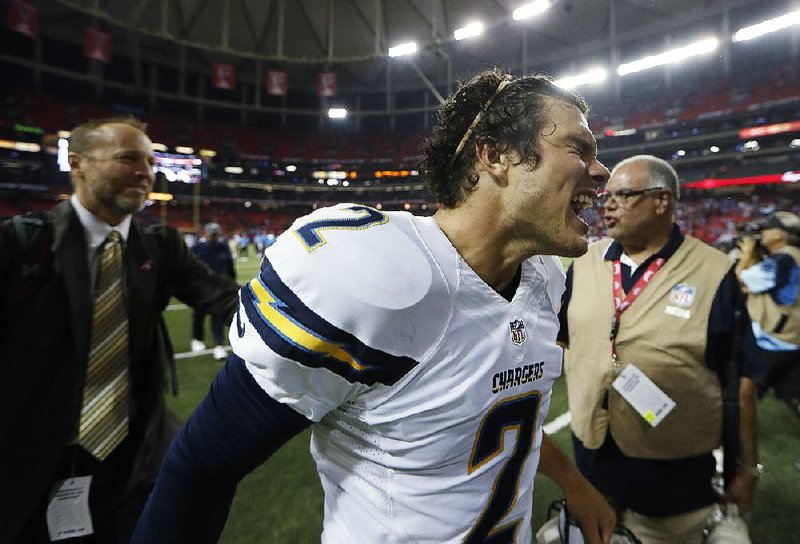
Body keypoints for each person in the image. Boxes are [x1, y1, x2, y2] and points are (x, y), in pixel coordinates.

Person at [132, 69, 616, 543]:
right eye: (579, 149)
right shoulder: (375, 277)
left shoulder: (544, 277)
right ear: (496, 156)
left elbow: (498, 413)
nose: (601, 170)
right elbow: (200, 469)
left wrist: (572, 481)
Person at [0, 117, 240, 544]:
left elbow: (224, 300)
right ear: (77, 163)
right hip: (31, 458)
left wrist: (306, 319)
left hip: (132, 458)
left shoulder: (161, 245)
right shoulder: (22, 243)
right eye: (129, 158)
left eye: (150, 162)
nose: (146, 172)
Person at [558, 155, 760, 544]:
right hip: (592, 455)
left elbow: (741, 383)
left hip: (673, 473)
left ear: (662, 200)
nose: (608, 203)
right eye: (607, 195)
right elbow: (560, 342)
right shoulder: (584, 264)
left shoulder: (713, 272)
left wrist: (747, 469)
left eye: (623, 195)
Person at [735, 211, 800, 463]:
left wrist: (746, 254)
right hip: (792, 340)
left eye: (767, 229)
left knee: (743, 395)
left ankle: (738, 457)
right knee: (794, 394)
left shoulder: (784, 260)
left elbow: (740, 280)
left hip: (772, 342)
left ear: (780, 234)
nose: (762, 234)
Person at [190, 222, 237, 360]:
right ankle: (197, 340)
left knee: (217, 317)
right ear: (206, 233)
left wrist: (231, 283)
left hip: (219, 289)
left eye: (217, 234)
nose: (215, 237)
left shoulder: (224, 247)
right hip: (201, 288)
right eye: (212, 234)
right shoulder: (197, 248)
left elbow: (230, 268)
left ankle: (218, 345)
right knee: (198, 315)